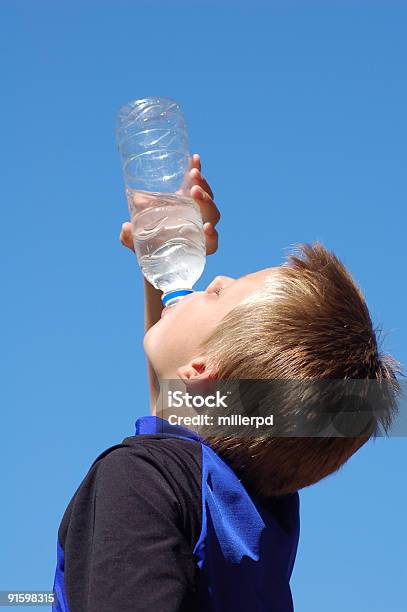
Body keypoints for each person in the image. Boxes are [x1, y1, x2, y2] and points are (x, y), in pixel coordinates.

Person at [52, 154, 400, 612]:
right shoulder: (260, 507)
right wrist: (160, 262)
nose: (215, 278)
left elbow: (174, 434)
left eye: (218, 294)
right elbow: (182, 414)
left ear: (201, 373)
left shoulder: (137, 481)